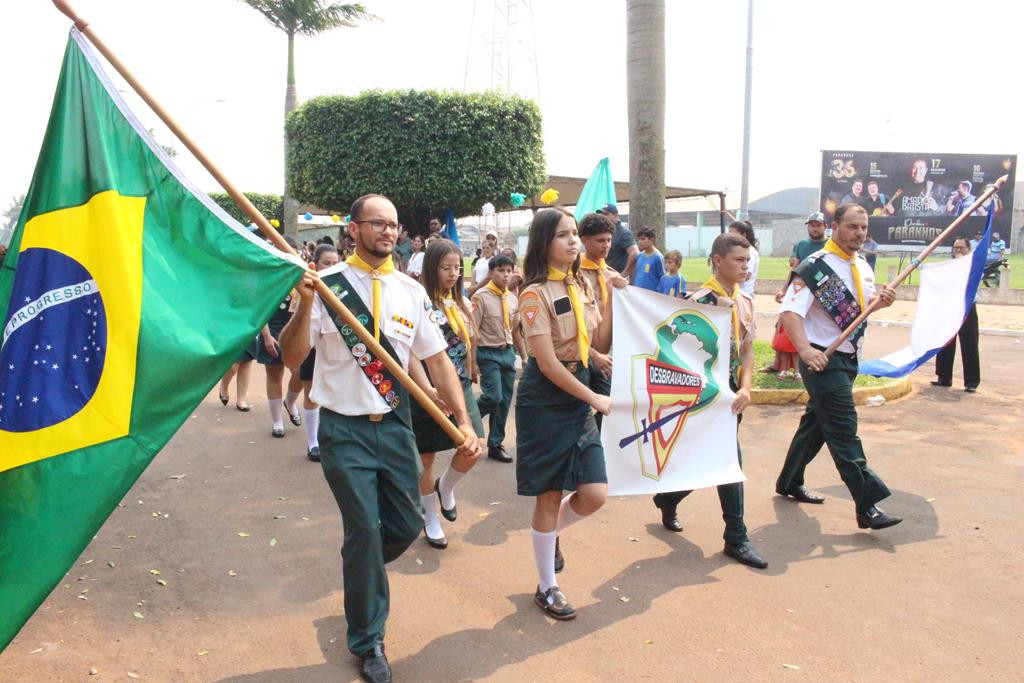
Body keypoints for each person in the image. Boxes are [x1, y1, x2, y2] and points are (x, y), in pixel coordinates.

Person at [279, 194, 481, 683]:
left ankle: (360, 575)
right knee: (366, 530)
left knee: (405, 524)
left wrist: (465, 422)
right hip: (343, 428)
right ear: (353, 229)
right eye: (377, 224)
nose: (388, 232)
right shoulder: (325, 288)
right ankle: (369, 640)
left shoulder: (410, 292)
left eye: (393, 225)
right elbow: (291, 356)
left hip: (394, 424)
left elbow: (437, 361)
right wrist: (305, 307)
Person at [516, 207, 617, 620]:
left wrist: (614, 296)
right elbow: (547, 362)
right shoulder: (533, 294)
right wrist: (594, 399)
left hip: (578, 391)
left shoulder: (581, 286)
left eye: (575, 234)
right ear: (544, 243)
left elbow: (593, 340)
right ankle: (547, 586)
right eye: (563, 235)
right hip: (545, 400)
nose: (574, 241)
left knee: (595, 493)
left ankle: (548, 533)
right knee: (551, 491)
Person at [774, 203, 901, 530]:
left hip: (848, 358)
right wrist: (803, 350)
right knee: (844, 430)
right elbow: (790, 312)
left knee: (816, 423)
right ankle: (867, 503)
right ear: (835, 227)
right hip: (822, 360)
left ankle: (789, 480)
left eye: (863, 228)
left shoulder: (863, 266)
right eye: (853, 227)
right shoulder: (815, 267)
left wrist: (882, 301)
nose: (859, 233)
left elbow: (862, 310)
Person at [652, 233, 767, 568]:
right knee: (726, 459)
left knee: (706, 461)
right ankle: (737, 537)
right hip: (703, 395)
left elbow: (747, 353)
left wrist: (745, 388)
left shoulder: (744, 301)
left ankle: (668, 498)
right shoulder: (698, 301)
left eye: (747, 261)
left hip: (731, 394)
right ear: (718, 261)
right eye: (738, 260)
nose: (745, 267)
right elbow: (680, 354)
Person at [407, 239, 486, 550]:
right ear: (431, 269)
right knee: (425, 457)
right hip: (425, 390)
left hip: (460, 385)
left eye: (457, 268)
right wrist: (426, 390)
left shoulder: (461, 302)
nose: (453, 274)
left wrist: (472, 366)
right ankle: (429, 517)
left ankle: (446, 487)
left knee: (474, 445)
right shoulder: (418, 302)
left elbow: (469, 340)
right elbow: (411, 351)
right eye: (445, 268)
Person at [472, 254, 528, 463]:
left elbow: (515, 331)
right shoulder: (481, 297)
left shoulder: (513, 299)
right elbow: (473, 332)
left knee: (504, 401)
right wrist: (473, 361)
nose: (505, 275)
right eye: (501, 271)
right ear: (491, 273)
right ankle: (469, 417)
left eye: (508, 271)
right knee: (493, 397)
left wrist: (523, 356)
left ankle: (495, 444)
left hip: (507, 353)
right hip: (487, 354)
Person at [577, 212, 628, 429]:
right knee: (579, 408)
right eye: (600, 241)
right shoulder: (575, 272)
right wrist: (592, 354)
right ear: (585, 240)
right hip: (580, 351)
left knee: (610, 406)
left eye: (608, 240)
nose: (606, 245)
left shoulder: (613, 275)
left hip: (606, 354)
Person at [295, 243, 341, 461]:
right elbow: (296, 321)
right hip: (312, 345)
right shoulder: (306, 290)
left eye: (335, 263)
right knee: (310, 392)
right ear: (315, 264)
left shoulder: (344, 290)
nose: (331, 267)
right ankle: (313, 442)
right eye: (326, 263)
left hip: (335, 349)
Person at [256, 235, 303, 438]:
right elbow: (260, 307)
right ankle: (277, 422)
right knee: (274, 374)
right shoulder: (268, 274)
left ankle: (290, 403)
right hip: (272, 328)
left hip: (295, 329)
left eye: (291, 250)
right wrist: (266, 336)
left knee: (301, 372)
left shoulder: (301, 273)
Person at [933, 237, 980, 393]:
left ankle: (971, 382)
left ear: (968, 249)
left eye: (961, 248)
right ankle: (944, 377)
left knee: (969, 345)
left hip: (967, 308)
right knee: (945, 342)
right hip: (949, 308)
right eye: (956, 248)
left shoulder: (974, 266)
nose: (958, 251)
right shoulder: (949, 266)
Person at [597, 203, 639, 281]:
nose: (602, 217)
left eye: (606, 214)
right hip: (605, 277)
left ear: (616, 216)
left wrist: (622, 275)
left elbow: (635, 253)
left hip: (617, 281)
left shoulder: (623, 233)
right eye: (601, 214)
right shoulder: (604, 231)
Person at [218, 341, 256, 412]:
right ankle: (224, 385)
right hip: (233, 331)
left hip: (250, 330)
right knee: (233, 365)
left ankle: (241, 400)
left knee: (246, 362)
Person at [728, 220, 759, 297]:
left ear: (744, 235)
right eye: (729, 233)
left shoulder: (750, 251)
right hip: (736, 293)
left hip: (744, 294)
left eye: (733, 234)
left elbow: (746, 276)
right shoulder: (739, 250)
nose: (729, 236)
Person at [633, 227, 665, 292]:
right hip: (638, 294)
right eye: (639, 239)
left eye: (642, 239)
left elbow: (663, 278)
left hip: (652, 296)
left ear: (651, 239)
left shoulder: (658, 257)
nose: (640, 242)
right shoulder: (639, 255)